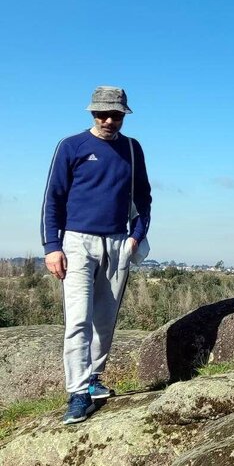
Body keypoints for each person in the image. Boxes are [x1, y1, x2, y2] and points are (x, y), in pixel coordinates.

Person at [41, 86, 152, 425]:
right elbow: (53, 198)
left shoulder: (132, 149)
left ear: (123, 115)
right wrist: (52, 246)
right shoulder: (71, 146)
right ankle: (77, 393)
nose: (108, 120)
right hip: (76, 242)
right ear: (92, 113)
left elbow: (144, 197)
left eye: (115, 115)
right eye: (102, 114)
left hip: (118, 243)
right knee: (78, 319)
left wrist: (136, 237)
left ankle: (93, 378)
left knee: (105, 320)